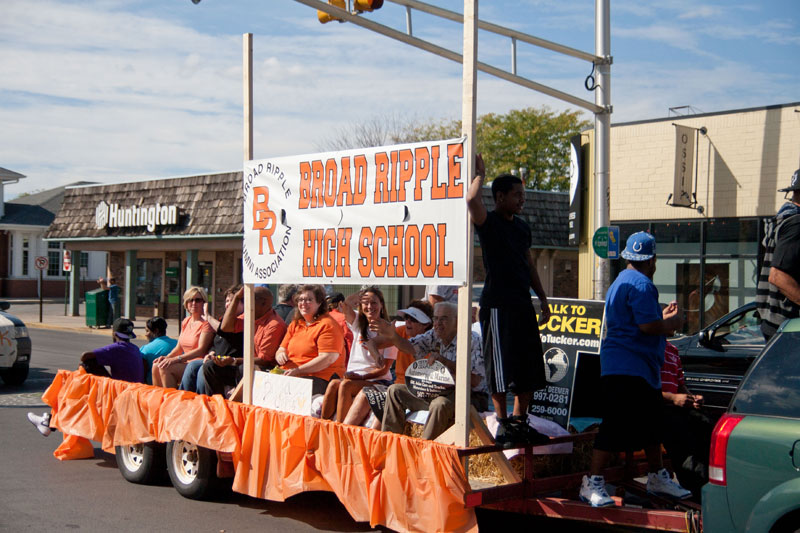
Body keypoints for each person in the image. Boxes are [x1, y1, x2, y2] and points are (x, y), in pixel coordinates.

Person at [580, 232, 691, 507]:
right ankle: (592, 481)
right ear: (652, 260)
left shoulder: (621, 281)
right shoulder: (643, 284)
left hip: (629, 366)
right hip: (630, 366)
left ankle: (656, 475)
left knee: (652, 423)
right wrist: (673, 323)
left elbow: (638, 321)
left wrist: (661, 318)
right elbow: (647, 327)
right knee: (617, 424)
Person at [466, 154, 551, 446]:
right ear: (500, 196)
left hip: (522, 304)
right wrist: (480, 174)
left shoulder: (522, 227)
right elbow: (471, 201)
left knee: (530, 366)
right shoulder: (488, 223)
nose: (522, 200)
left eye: (523, 195)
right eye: (517, 195)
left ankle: (520, 422)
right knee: (500, 369)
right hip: (497, 305)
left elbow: (529, 264)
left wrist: (542, 297)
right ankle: (502, 425)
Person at [374, 302, 488, 441]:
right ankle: (391, 445)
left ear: (457, 321)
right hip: (438, 390)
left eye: (443, 319)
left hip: (469, 395)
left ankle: (424, 453)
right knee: (394, 391)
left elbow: (475, 381)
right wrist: (393, 336)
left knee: (439, 404)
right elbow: (411, 347)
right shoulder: (435, 334)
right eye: (435, 318)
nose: (438, 323)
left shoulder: (472, 340)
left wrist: (445, 362)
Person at [27, 318, 144, 436]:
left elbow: (85, 356)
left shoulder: (117, 348)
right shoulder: (135, 349)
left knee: (84, 370)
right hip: (131, 391)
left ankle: (48, 422)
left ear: (114, 333)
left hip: (120, 393)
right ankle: (49, 421)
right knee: (82, 387)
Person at [346, 300, 434, 429]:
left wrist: (392, 336)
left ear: (425, 324)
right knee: (363, 393)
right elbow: (371, 343)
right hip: (396, 387)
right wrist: (377, 355)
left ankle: (375, 441)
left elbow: (410, 348)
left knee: (386, 401)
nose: (408, 321)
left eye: (413, 319)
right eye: (406, 318)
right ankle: (343, 435)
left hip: (416, 392)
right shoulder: (402, 331)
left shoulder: (431, 338)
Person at [321, 287, 396, 422]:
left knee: (345, 385)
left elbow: (384, 369)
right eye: (365, 303)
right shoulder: (358, 324)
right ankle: (323, 426)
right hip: (354, 378)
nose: (369, 307)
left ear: (381, 305)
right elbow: (346, 305)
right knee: (333, 384)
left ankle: (341, 430)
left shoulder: (389, 330)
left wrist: (361, 377)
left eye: (374, 303)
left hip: (377, 381)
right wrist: (361, 293)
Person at [202, 286, 287, 397]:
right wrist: (236, 298)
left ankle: (239, 405)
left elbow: (264, 360)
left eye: (250, 300)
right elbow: (225, 327)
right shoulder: (250, 315)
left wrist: (233, 360)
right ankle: (217, 404)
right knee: (210, 367)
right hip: (245, 364)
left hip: (264, 370)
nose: (247, 304)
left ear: (263, 303)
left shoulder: (274, 324)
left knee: (244, 368)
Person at [660, 341, 712, 500]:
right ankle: (695, 489)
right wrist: (673, 398)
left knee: (705, 424)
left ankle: (708, 482)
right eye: (672, 314)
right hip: (659, 408)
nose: (679, 320)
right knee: (682, 437)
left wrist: (691, 398)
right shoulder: (648, 348)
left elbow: (680, 384)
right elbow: (644, 390)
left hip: (676, 407)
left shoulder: (672, 350)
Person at [274, 284, 346, 395]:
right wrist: (280, 354)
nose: (303, 303)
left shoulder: (328, 325)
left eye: (309, 300)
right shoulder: (296, 324)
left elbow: (327, 358)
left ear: (319, 303)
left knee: (282, 390)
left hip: (319, 378)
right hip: (291, 374)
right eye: (301, 300)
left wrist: (298, 371)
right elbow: (281, 348)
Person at [756, 169, 800, 340]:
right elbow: (777, 276)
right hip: (789, 326)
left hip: (775, 324)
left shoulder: (782, 220)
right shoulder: (796, 223)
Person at [179, 285, 242, 394]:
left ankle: (203, 401)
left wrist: (207, 316)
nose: (228, 304)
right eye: (227, 301)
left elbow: (224, 332)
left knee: (204, 368)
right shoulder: (221, 320)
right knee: (192, 366)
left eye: (233, 301)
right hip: (215, 359)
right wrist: (211, 352)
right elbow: (215, 343)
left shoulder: (243, 321)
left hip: (231, 364)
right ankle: (183, 400)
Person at [151, 286, 214, 389]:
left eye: (198, 300)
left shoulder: (206, 323)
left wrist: (176, 359)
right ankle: (159, 401)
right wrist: (167, 357)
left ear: (204, 303)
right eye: (190, 300)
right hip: (185, 362)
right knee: (156, 366)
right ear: (186, 303)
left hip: (197, 365)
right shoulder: (186, 321)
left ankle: (171, 400)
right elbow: (179, 348)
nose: (194, 303)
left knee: (166, 368)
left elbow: (201, 350)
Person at [140, 316, 178, 385]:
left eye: (147, 331)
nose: (146, 334)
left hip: (154, 387)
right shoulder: (177, 344)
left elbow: (142, 375)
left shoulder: (145, 350)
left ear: (156, 331)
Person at [326, 292, 354, 357]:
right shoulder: (344, 319)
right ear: (341, 304)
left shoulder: (319, 318)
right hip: (341, 360)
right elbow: (349, 342)